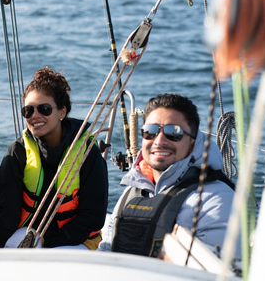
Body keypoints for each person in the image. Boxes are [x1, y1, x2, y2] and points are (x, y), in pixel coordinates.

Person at [98, 93, 236, 257]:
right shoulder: (130, 193)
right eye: (151, 131)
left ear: (193, 143)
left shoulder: (216, 198)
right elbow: (104, 254)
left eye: (174, 132)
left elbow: (215, 270)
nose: (159, 141)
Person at [0, 67, 108, 249]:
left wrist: (50, 247)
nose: (35, 116)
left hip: (78, 238)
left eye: (44, 109)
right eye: (28, 111)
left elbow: (92, 217)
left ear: (62, 112)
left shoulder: (87, 153)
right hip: (32, 234)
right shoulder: (17, 152)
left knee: (60, 263)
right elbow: (6, 214)